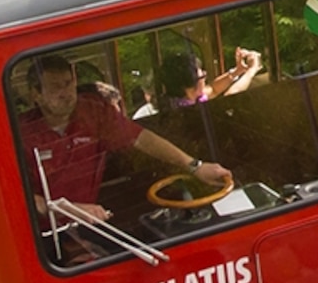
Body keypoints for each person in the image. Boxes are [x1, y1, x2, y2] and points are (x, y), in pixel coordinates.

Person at [18, 53, 226, 226]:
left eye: (68, 83)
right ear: (35, 94)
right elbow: (16, 198)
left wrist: (194, 166)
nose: (66, 93)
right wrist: (63, 208)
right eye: (55, 87)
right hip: (43, 236)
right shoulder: (20, 134)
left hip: (92, 225)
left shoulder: (93, 111)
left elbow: (141, 138)